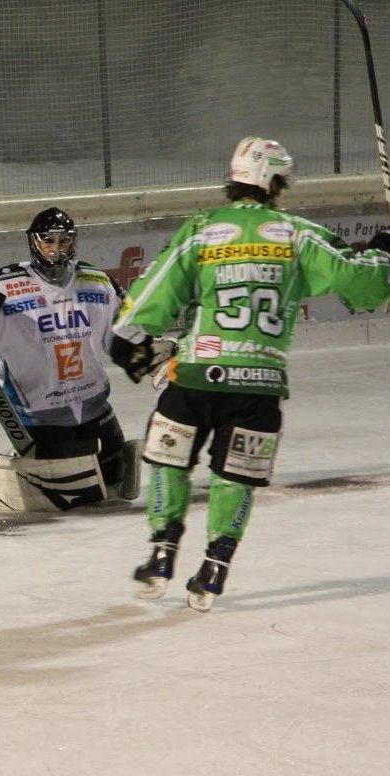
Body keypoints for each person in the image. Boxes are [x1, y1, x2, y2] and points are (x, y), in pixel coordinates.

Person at [110, 136, 390, 611]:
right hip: (259, 385)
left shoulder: (203, 230)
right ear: (277, 182)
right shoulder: (298, 233)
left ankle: (161, 552)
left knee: (168, 460)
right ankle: (215, 567)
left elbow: (156, 290)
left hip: (197, 374)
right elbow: (364, 287)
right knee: (233, 477)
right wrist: (384, 250)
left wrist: (127, 334)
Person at [0, 207, 139, 506]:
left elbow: (129, 328)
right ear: (35, 243)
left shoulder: (98, 282)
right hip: (38, 413)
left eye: (63, 241)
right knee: (73, 498)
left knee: (114, 482)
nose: (57, 249)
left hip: (95, 406)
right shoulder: (4, 287)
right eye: (49, 241)